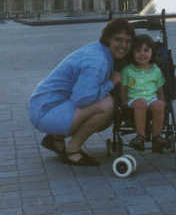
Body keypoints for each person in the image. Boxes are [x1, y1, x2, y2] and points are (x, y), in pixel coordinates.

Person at [29, 18, 135, 166]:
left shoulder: (99, 50)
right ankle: (73, 151)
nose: (123, 45)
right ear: (108, 39)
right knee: (108, 106)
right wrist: (111, 83)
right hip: (46, 111)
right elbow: (82, 99)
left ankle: (56, 139)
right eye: (118, 40)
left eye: (128, 41)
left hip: (45, 105)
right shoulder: (98, 61)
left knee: (106, 108)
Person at [120, 34, 167, 152]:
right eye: (138, 51)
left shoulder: (156, 70)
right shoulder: (127, 70)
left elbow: (160, 88)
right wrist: (124, 101)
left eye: (146, 50)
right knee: (140, 102)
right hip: (133, 100)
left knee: (159, 105)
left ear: (152, 52)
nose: (142, 54)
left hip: (151, 99)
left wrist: (162, 100)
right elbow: (123, 88)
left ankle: (157, 137)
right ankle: (140, 136)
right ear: (132, 53)